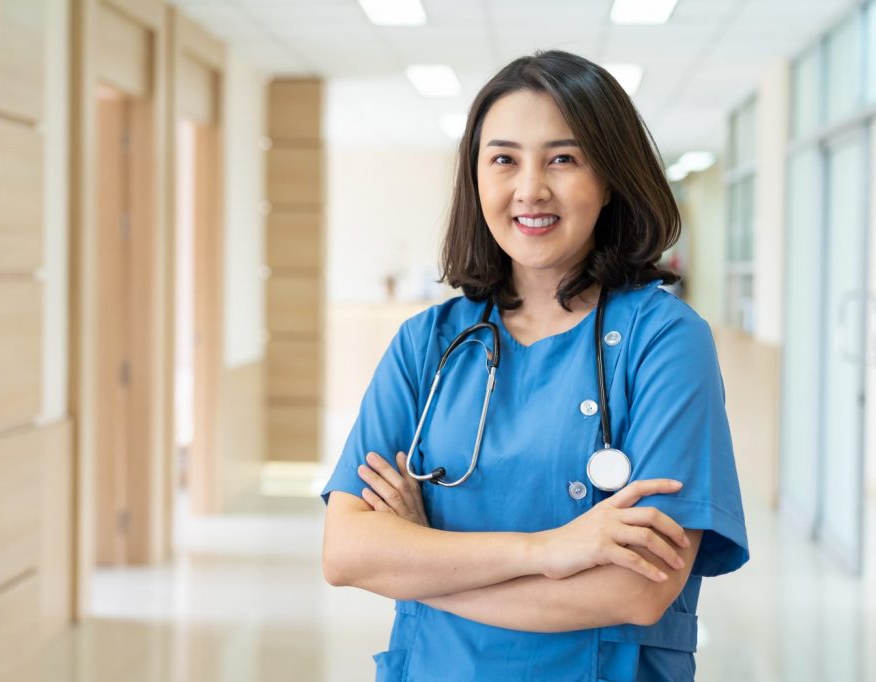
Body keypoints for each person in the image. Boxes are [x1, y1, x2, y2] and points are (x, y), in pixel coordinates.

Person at [320, 50, 749, 682]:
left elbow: (637, 590)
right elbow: (346, 551)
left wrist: (422, 568)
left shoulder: (664, 340)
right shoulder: (428, 342)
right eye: (503, 159)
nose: (530, 189)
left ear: (610, 179)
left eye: (563, 158)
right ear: (476, 180)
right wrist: (550, 551)